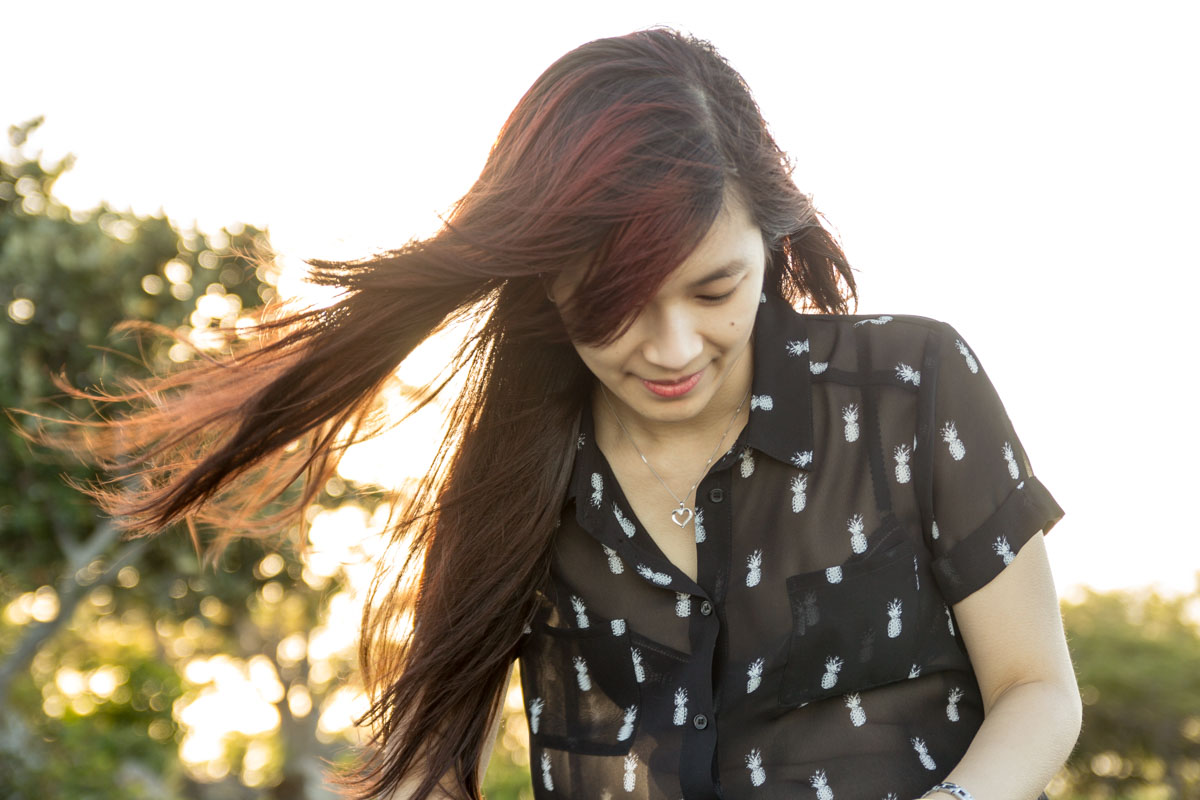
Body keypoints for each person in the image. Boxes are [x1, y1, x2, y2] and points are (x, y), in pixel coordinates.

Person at [29, 27, 1081, 800]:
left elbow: (1038, 687)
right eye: (613, 305)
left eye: (714, 289)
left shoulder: (913, 385)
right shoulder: (519, 480)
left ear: (772, 238)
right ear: (545, 288)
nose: (670, 349)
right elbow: (424, 767)